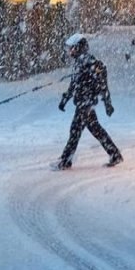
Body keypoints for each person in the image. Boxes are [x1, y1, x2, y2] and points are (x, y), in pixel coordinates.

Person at [55, 33, 122, 170]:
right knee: (96, 129)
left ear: (79, 47)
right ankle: (114, 154)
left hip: (86, 103)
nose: (70, 52)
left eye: (72, 48)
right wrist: (65, 99)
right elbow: (74, 84)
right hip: (82, 102)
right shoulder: (79, 62)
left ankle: (65, 161)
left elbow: (102, 83)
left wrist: (107, 103)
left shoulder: (89, 62)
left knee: (75, 131)